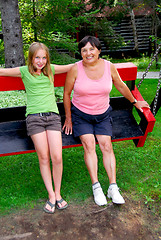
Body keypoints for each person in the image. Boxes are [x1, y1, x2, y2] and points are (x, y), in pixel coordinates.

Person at [63, 36, 150, 206]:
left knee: (106, 146)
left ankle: (113, 187)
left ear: (99, 50)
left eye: (91, 49)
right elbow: (66, 93)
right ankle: (96, 186)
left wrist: (134, 101)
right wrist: (68, 117)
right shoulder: (75, 69)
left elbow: (121, 85)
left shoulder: (109, 66)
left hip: (102, 114)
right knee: (89, 145)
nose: (88, 53)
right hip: (81, 115)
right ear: (80, 53)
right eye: (84, 50)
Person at [0, 42, 74, 213]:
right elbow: (2, 71)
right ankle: (51, 195)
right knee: (43, 157)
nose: (40, 61)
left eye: (43, 58)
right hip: (34, 119)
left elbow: (73, 66)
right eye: (37, 58)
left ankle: (58, 192)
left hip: (53, 117)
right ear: (31, 58)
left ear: (47, 59)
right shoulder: (24, 71)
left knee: (57, 157)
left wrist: (96, 60)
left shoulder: (51, 70)